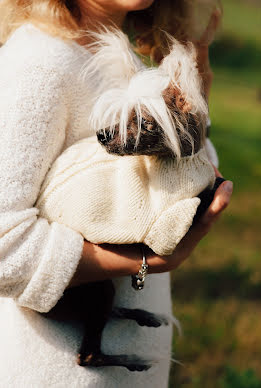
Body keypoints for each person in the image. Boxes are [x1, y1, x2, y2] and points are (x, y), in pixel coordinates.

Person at [0, 0, 233, 386]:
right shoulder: (40, 62)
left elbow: (181, 164)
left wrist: (197, 66)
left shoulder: (119, 62)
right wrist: (141, 261)